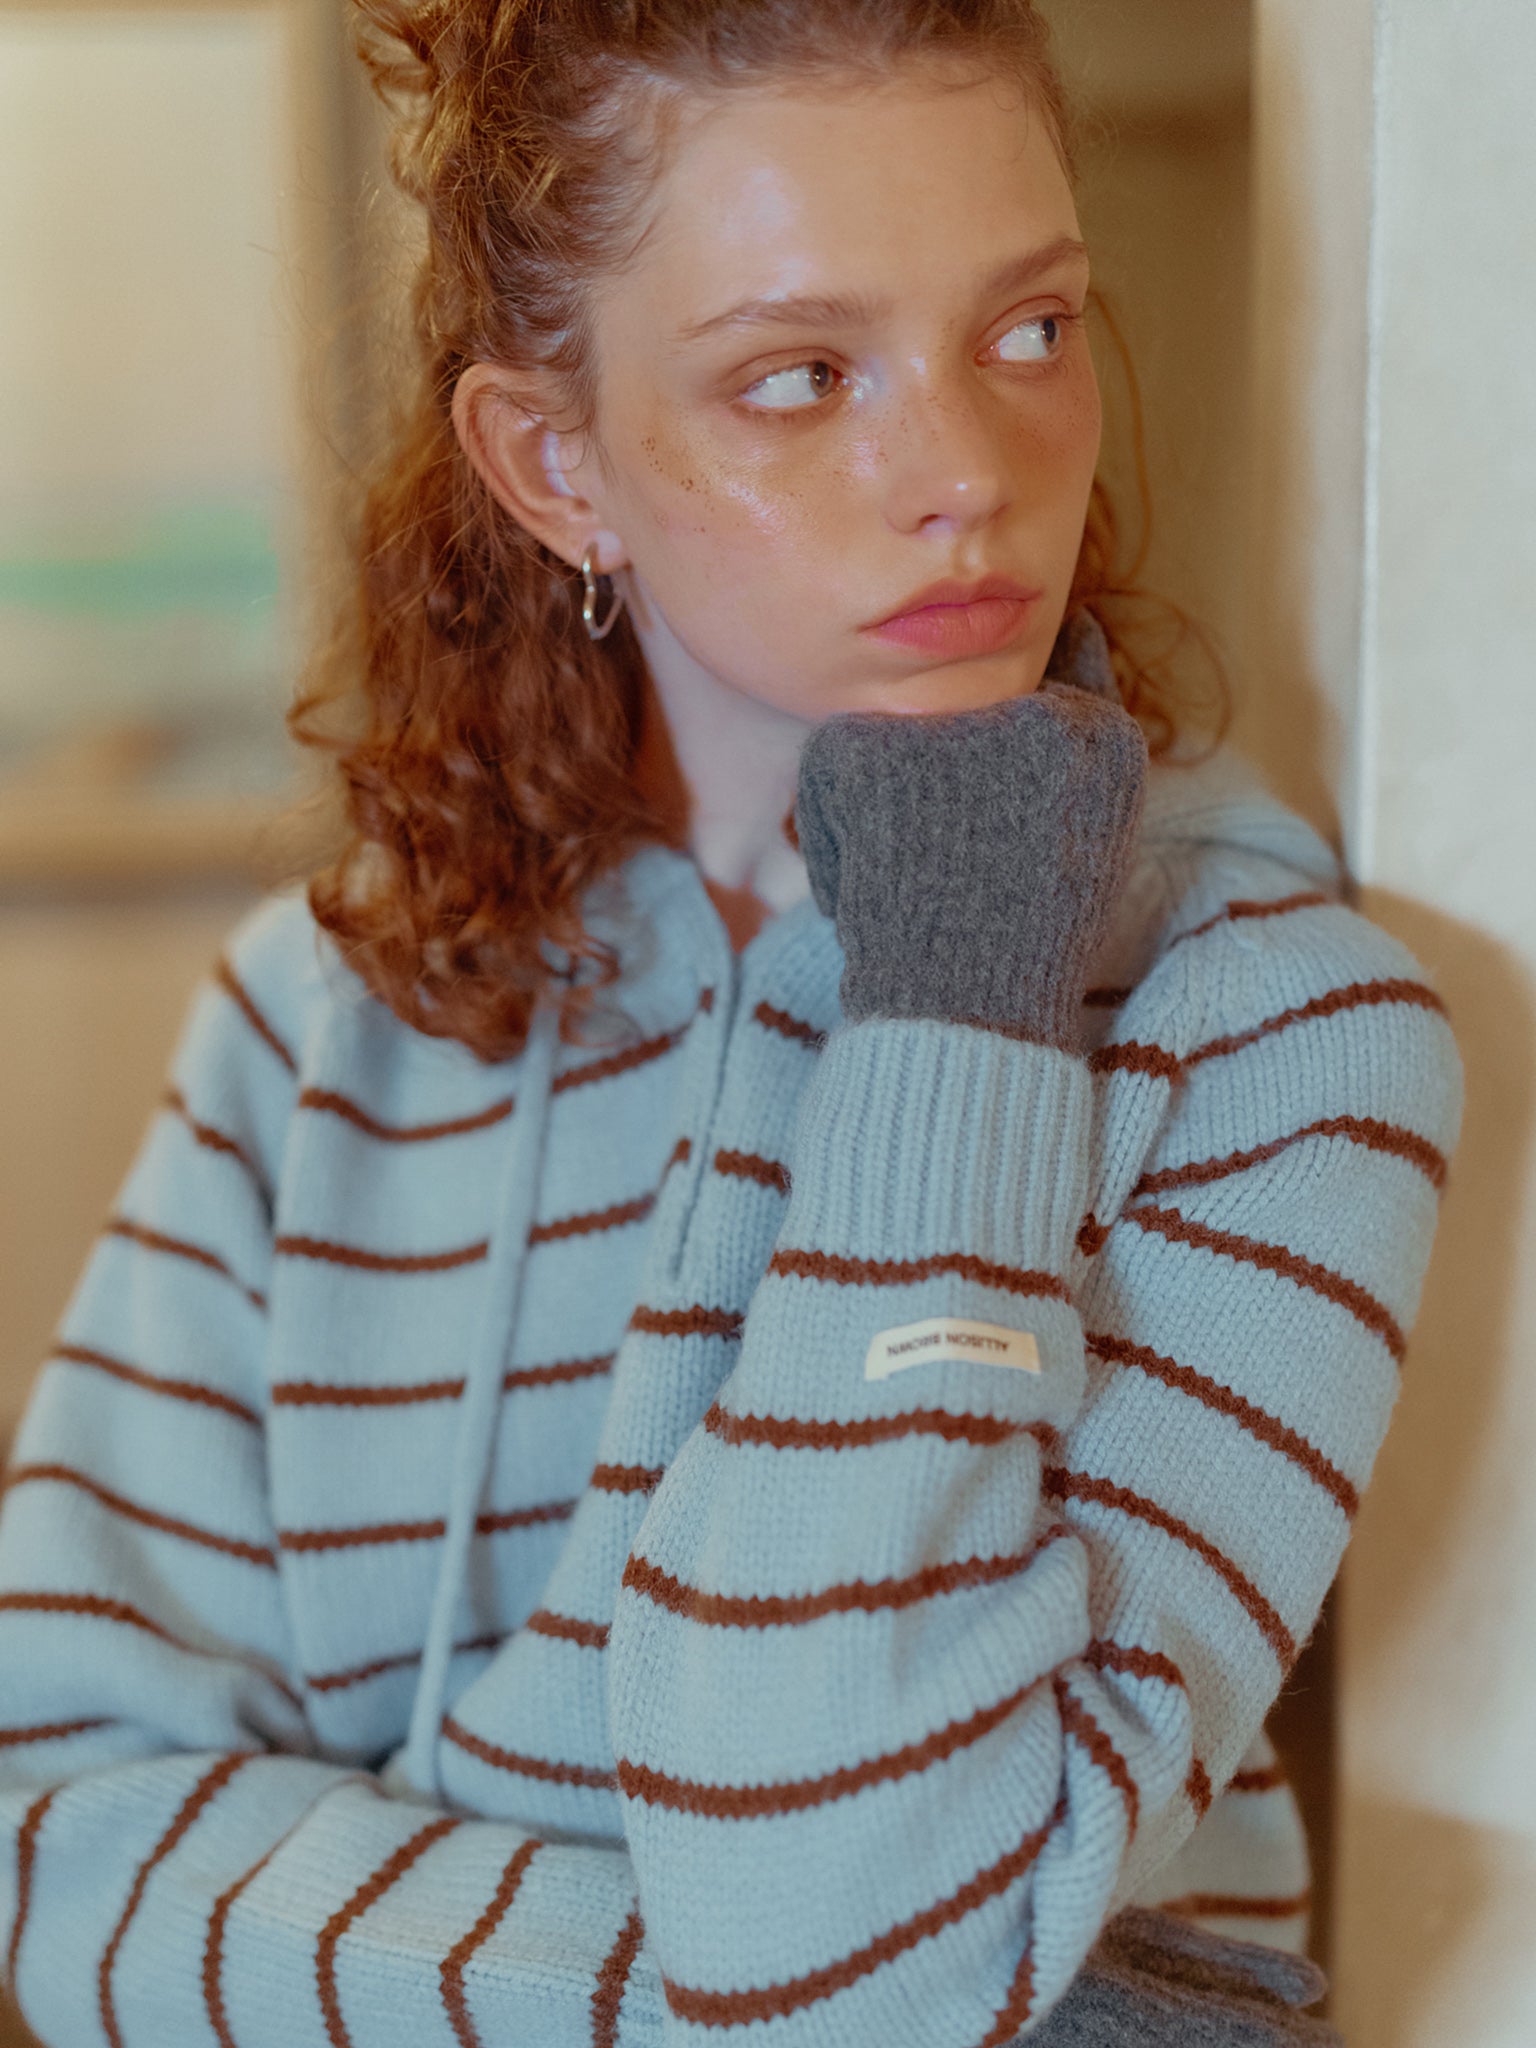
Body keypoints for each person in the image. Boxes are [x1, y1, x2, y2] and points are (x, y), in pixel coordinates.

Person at [0, 3, 1460, 2044]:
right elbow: (53, 1831)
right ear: (556, 462)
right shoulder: (312, 1027)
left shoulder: (1276, 1036)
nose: (966, 474)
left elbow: (849, 1928)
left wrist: (956, 1000)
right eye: (800, 376)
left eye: (1028, 330)